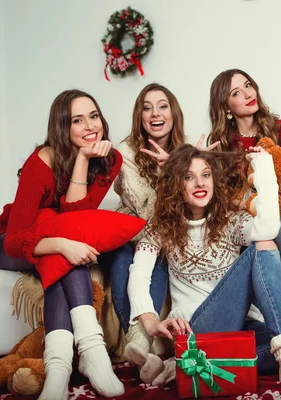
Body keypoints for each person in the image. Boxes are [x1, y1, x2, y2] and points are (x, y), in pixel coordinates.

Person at [127, 144, 281, 386]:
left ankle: (193, 364)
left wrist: (264, 168)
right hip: (199, 327)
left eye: (206, 175)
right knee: (263, 243)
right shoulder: (161, 229)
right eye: (189, 177)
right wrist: (151, 324)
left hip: (242, 326)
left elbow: (269, 227)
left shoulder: (231, 221)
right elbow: (140, 272)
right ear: (176, 184)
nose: (200, 183)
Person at [0, 90, 124, 399]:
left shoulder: (108, 160)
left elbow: (77, 219)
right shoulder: (40, 163)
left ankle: (61, 368)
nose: (91, 126)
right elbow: (14, 241)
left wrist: (82, 159)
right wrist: (62, 245)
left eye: (94, 116)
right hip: (7, 242)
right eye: (78, 120)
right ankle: (92, 354)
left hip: (55, 242)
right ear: (63, 127)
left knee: (64, 261)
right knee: (64, 255)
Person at [109, 83, 218, 383]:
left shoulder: (186, 149)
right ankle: (139, 339)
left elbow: (194, 200)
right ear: (139, 116)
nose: (155, 113)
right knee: (122, 256)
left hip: (166, 233)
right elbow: (147, 212)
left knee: (155, 259)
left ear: (173, 112)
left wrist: (177, 167)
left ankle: (143, 348)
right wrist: (170, 175)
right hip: (133, 230)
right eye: (147, 107)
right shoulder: (125, 152)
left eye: (162, 106)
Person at [208, 69, 281, 304]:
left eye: (248, 85)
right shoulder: (220, 144)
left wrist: (266, 203)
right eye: (236, 92)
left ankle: (275, 317)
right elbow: (220, 198)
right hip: (242, 219)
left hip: (279, 214)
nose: (247, 93)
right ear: (225, 107)